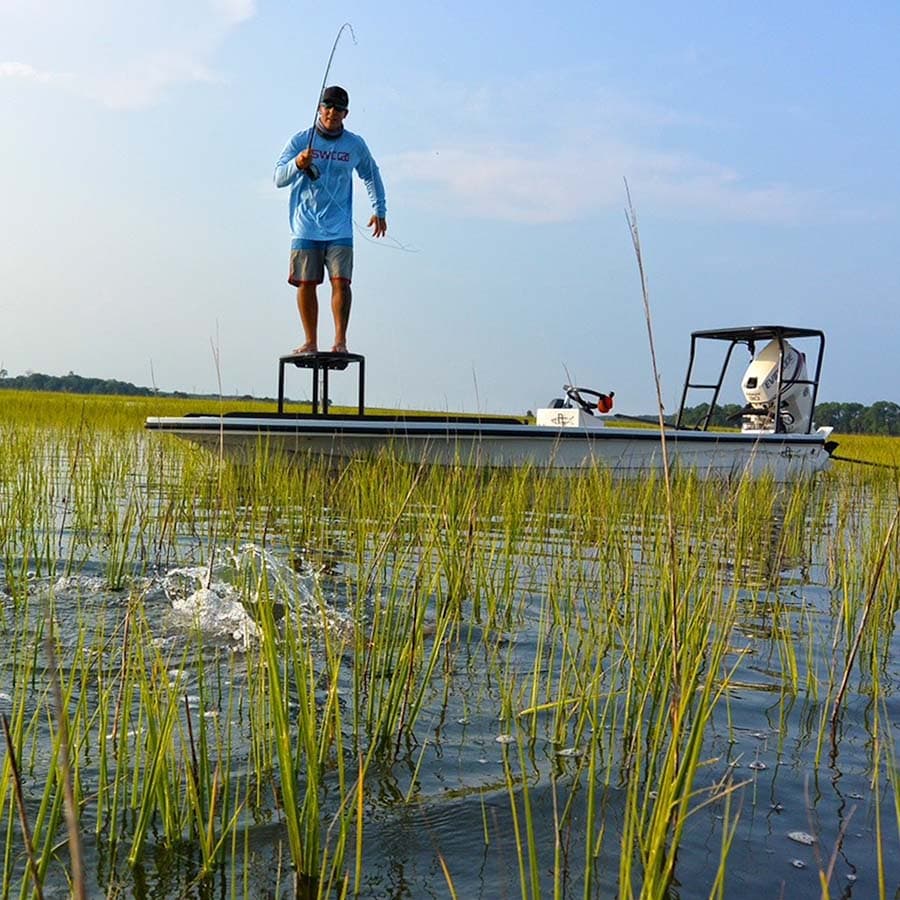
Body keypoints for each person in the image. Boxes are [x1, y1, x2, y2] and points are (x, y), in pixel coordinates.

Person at [274, 85, 387, 355]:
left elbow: (371, 174)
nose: (332, 113)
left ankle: (340, 342)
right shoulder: (301, 140)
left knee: (341, 282)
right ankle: (310, 341)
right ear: (319, 108)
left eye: (339, 109)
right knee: (306, 283)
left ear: (346, 114)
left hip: (340, 229)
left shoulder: (355, 144)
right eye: (328, 106)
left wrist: (379, 209)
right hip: (305, 227)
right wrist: (298, 163)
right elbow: (278, 178)